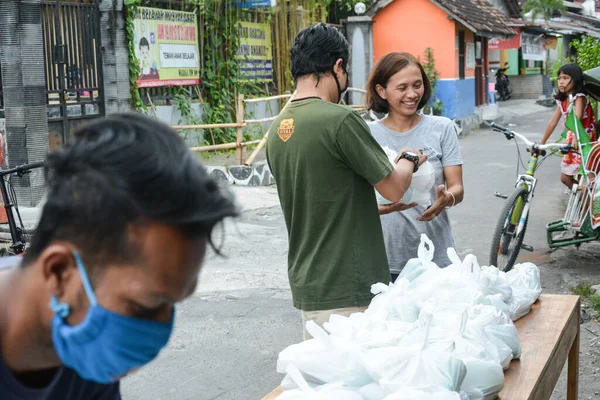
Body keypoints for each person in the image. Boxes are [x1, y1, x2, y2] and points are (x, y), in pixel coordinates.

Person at [0, 114, 237, 399]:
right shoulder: (84, 332)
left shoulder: (84, 347)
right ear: (59, 271)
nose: (158, 333)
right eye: (142, 308)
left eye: (171, 306)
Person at [266, 24, 426, 340]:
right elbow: (393, 187)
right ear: (338, 66)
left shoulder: (277, 130)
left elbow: (323, 201)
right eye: (346, 69)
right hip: (350, 289)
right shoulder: (340, 121)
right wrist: (409, 158)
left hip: (309, 288)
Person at [367, 52, 464, 281]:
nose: (412, 94)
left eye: (417, 85)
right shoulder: (367, 134)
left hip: (436, 259)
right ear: (382, 91)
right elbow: (357, 196)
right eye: (402, 88)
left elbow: (457, 187)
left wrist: (446, 199)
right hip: (384, 260)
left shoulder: (442, 128)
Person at [540, 63, 597, 190]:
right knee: (565, 178)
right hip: (572, 142)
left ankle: (591, 201)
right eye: (559, 78)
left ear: (575, 80)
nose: (561, 82)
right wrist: (541, 144)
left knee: (588, 177)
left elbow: (578, 117)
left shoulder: (579, 98)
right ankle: (582, 198)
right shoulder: (563, 100)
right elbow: (553, 122)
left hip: (583, 141)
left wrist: (576, 136)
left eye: (565, 78)